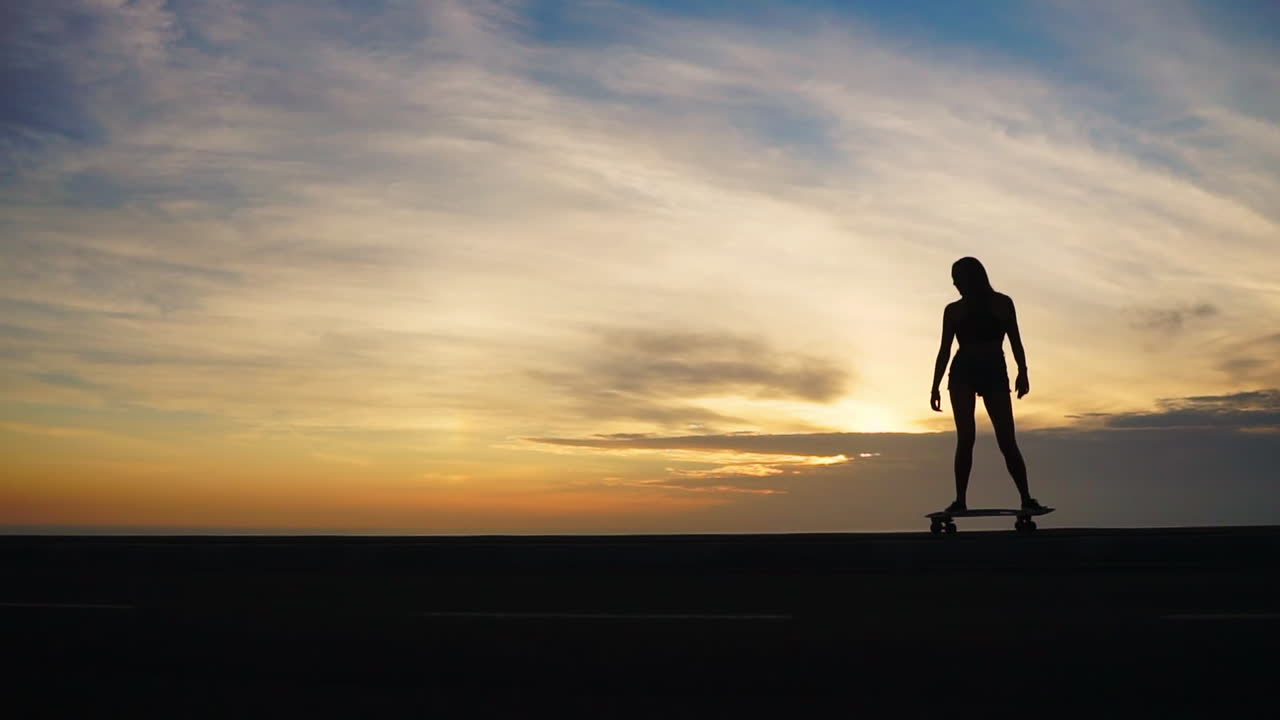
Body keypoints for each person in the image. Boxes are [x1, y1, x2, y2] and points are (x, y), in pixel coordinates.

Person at [930, 257, 1045, 513]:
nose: (954, 283)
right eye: (953, 279)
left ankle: (1026, 497)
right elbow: (944, 350)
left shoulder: (1002, 303)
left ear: (972, 277)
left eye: (958, 278)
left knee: (1006, 439)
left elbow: (1015, 340)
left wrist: (1023, 371)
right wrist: (934, 386)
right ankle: (960, 500)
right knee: (966, 438)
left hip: (994, 372)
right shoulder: (953, 310)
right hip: (962, 373)